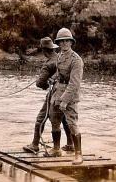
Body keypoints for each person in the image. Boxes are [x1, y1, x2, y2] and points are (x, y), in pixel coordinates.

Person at [23, 37, 74, 154]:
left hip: (55, 93)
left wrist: (45, 84)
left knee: (41, 118)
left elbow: (40, 83)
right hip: (67, 92)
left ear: (44, 51)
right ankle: (70, 144)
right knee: (65, 118)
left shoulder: (48, 64)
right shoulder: (61, 57)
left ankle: (35, 145)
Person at [49, 28, 84, 165]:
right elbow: (59, 74)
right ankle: (56, 148)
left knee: (72, 123)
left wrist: (65, 100)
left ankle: (78, 154)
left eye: (66, 41)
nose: (63, 43)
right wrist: (52, 79)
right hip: (57, 91)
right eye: (60, 41)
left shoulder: (76, 60)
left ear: (71, 42)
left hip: (70, 95)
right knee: (54, 119)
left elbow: (75, 83)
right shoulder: (59, 56)